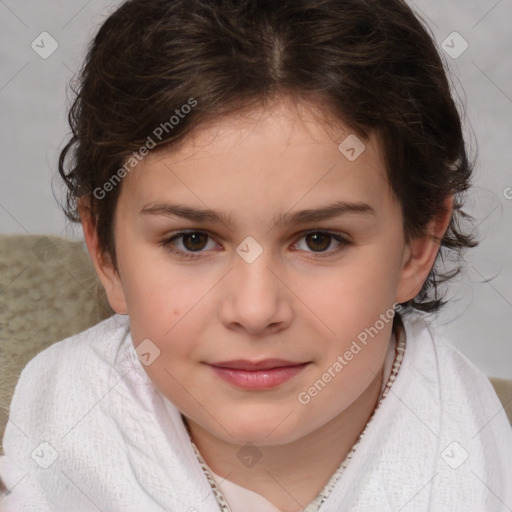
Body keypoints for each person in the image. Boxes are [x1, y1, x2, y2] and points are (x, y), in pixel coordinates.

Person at [1, 0, 511, 510]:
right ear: (105, 254)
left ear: (417, 246)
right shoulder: (48, 444)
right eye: (192, 241)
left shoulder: (479, 462)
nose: (255, 310)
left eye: (319, 240)